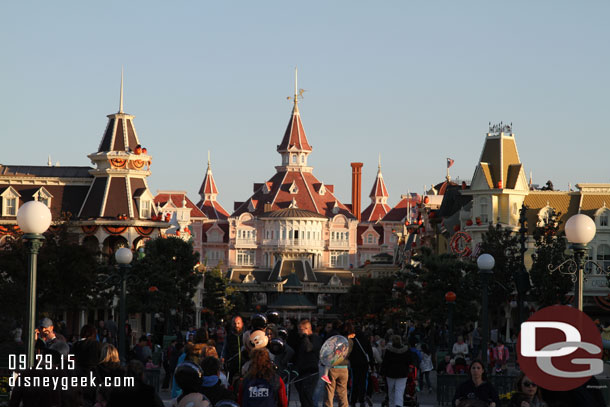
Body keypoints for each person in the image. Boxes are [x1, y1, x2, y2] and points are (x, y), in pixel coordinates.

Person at [380, 335, 417, 407]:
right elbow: (410, 361)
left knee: (391, 390)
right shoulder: (406, 350)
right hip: (402, 373)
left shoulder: (389, 350)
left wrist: (382, 372)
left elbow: (385, 362)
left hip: (390, 373)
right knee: (400, 390)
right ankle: (398, 404)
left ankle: (391, 404)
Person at [294, 319, 322, 407]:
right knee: (303, 397)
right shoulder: (302, 339)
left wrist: (305, 336)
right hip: (302, 372)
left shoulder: (315, 338)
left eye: (300, 329)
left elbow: (309, 348)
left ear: (307, 329)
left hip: (310, 372)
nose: (299, 332)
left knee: (308, 396)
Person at [221, 315, 246, 384]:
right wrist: (223, 359)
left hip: (244, 365)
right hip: (232, 366)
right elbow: (224, 349)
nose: (236, 325)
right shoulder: (229, 337)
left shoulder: (246, 335)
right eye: (234, 323)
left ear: (242, 324)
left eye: (238, 323)